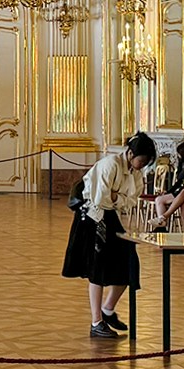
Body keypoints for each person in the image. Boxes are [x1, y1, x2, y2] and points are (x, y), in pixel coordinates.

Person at [62, 132, 158, 338]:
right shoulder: (110, 164)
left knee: (129, 260)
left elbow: (131, 201)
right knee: (97, 267)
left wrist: (117, 197)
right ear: (131, 153)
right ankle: (96, 321)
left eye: (146, 162)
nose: (143, 165)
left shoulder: (136, 173)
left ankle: (108, 309)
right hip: (91, 217)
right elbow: (100, 198)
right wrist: (118, 197)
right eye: (142, 160)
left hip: (110, 215)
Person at [148, 141, 184, 222]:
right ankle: (162, 223)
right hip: (181, 190)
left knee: (159, 200)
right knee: (159, 199)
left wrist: (179, 163)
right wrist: (168, 192)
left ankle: (162, 223)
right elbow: (178, 182)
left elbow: (180, 177)